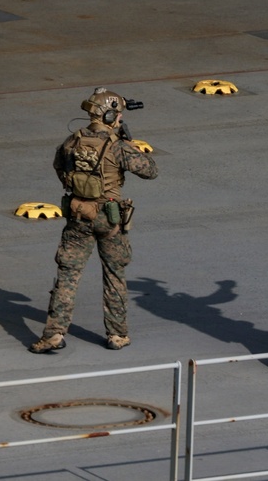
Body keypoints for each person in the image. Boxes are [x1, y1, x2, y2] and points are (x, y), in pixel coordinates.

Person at [29, 88, 158, 353]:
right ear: (110, 116)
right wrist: (129, 143)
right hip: (109, 218)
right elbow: (150, 171)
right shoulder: (118, 146)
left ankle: (54, 333)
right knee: (114, 275)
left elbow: (58, 165)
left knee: (67, 274)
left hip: (78, 214)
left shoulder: (72, 141)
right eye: (118, 114)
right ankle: (117, 334)